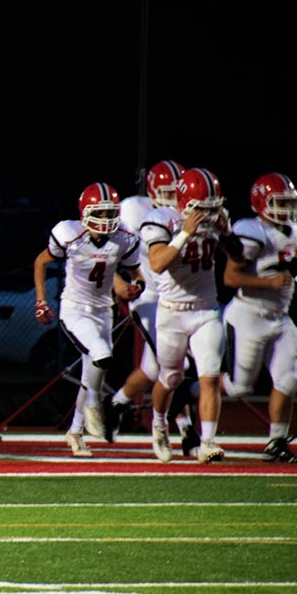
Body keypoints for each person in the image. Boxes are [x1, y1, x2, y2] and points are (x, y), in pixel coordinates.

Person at [33, 183, 142, 456]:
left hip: (104, 310)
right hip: (75, 309)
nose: (105, 221)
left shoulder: (124, 237)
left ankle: (75, 432)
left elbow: (136, 273)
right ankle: (94, 405)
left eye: (109, 214)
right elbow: (40, 262)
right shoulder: (69, 233)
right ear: (85, 212)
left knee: (90, 374)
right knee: (102, 354)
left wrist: (134, 287)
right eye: (100, 214)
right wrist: (41, 300)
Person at [141, 167, 239, 463]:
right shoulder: (160, 220)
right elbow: (157, 263)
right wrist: (185, 232)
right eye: (201, 207)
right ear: (185, 203)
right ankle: (159, 424)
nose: (207, 213)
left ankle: (208, 442)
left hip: (206, 310)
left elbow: (239, 257)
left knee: (209, 378)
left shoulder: (215, 219)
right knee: (170, 379)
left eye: (212, 206)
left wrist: (227, 233)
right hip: (172, 312)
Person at [105, 160, 202, 449]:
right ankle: (186, 430)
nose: (172, 197)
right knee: (173, 364)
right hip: (148, 295)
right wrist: (117, 282)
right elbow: (110, 247)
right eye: (166, 191)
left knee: (152, 369)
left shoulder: (189, 212)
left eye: (176, 191)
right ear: (151, 191)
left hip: (179, 297)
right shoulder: (135, 209)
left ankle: (116, 403)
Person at [222, 172, 297, 463]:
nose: (287, 209)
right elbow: (230, 276)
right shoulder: (251, 230)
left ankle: (276, 441)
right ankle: (194, 387)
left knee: (288, 380)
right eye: (280, 202)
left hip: (280, 317)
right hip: (248, 315)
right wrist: (269, 283)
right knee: (239, 387)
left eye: (290, 202)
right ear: (259, 202)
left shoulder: (295, 231)